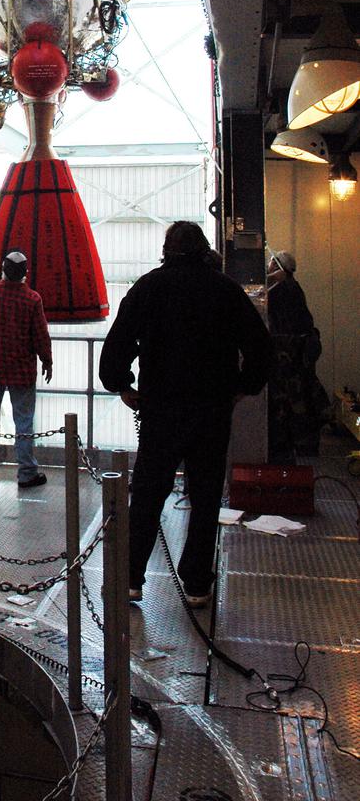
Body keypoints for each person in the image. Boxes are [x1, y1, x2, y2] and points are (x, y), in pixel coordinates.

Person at [99, 221, 275, 608]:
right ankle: (196, 584)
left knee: (148, 495)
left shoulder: (148, 287)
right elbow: (261, 347)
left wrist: (123, 386)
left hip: (161, 409)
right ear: (204, 248)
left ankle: (130, 579)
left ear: (166, 250)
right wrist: (242, 387)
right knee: (205, 497)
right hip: (212, 410)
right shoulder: (225, 289)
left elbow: (117, 346)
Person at [0, 248, 52, 488]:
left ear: (2, 269)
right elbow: (40, 336)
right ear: (25, 272)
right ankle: (26, 473)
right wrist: (47, 360)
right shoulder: (32, 299)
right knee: (23, 423)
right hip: (21, 371)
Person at [266, 250, 327, 458]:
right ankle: (303, 443)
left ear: (277, 266)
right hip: (301, 352)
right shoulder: (293, 287)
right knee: (302, 396)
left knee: (290, 400)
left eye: (271, 263)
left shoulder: (280, 289)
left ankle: (292, 442)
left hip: (289, 355)